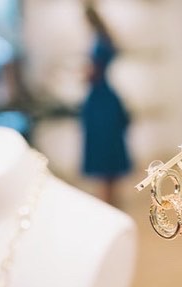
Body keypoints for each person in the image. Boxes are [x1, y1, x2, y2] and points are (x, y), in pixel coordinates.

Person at [80, 4, 132, 207]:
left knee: (103, 151)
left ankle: (106, 202)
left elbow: (93, 73)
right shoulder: (105, 39)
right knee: (109, 150)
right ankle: (111, 200)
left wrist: (83, 73)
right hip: (105, 98)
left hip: (100, 100)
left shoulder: (99, 42)